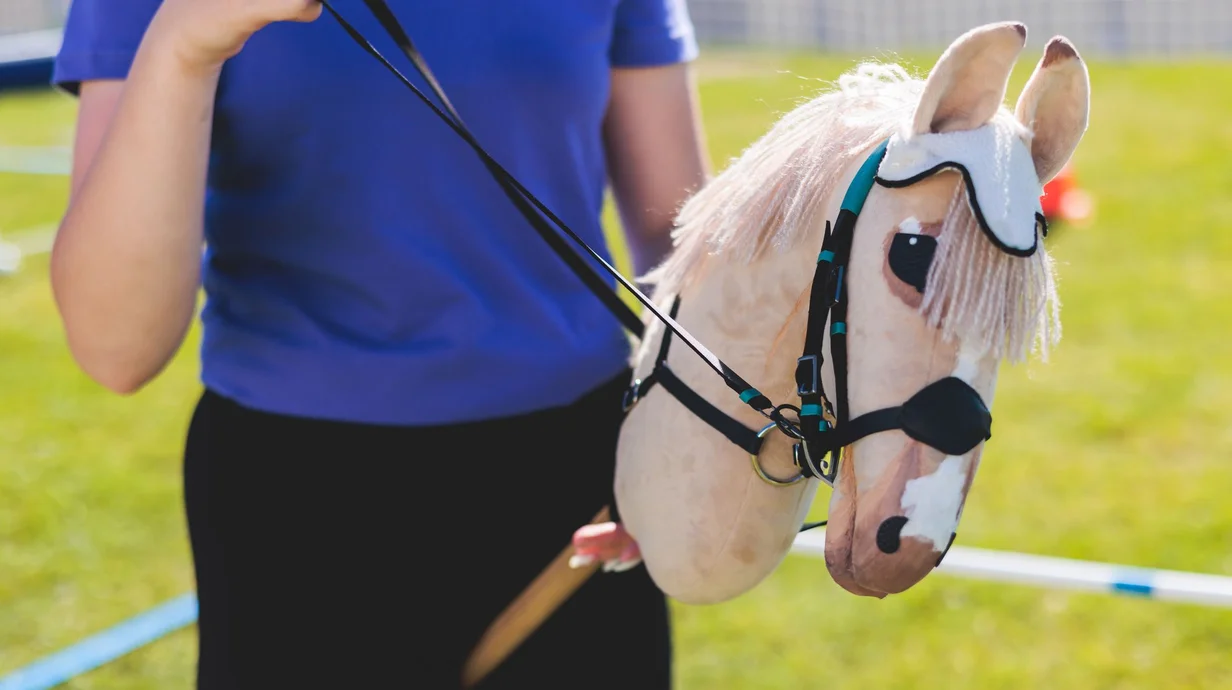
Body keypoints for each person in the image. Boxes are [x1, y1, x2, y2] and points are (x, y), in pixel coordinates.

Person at [49, 0, 710, 687]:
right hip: (295, 505)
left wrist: (683, 450)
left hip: (575, 481)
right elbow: (116, 350)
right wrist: (183, 41)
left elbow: (681, 248)